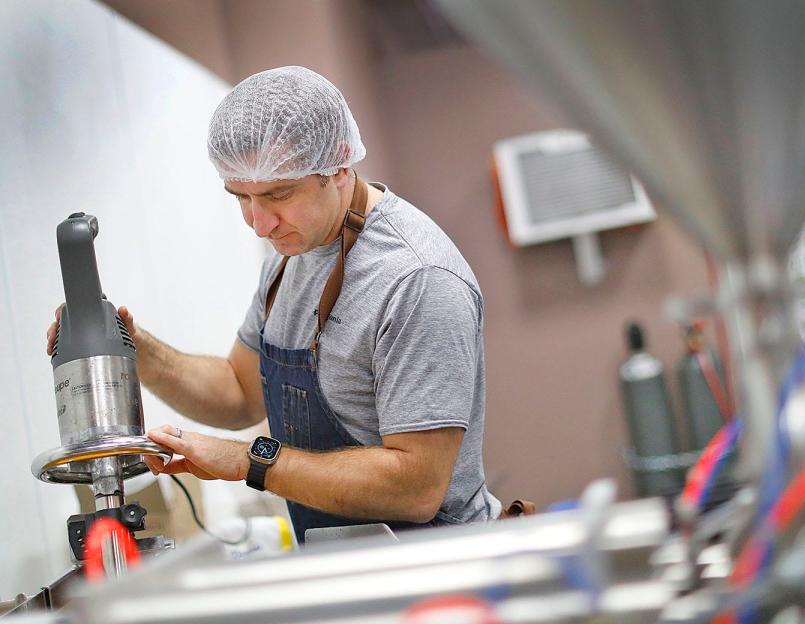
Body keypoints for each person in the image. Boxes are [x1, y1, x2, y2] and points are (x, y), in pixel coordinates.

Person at [47, 66, 501, 542]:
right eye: (240, 197)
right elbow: (240, 392)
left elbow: (416, 487)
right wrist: (132, 348)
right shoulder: (291, 257)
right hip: (347, 565)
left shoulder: (414, 278)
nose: (259, 223)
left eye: (278, 194)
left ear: (340, 164)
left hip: (440, 573)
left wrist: (247, 460)